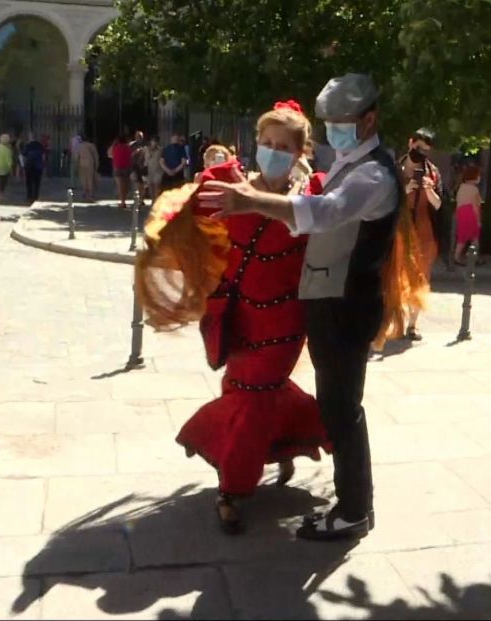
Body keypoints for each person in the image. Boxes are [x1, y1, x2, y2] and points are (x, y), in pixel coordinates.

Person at [199, 73, 401, 541]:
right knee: (337, 407)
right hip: (320, 307)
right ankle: (344, 497)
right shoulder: (348, 163)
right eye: (328, 123)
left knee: (342, 411)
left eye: (343, 122)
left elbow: (324, 213)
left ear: (369, 120)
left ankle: (353, 511)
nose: (335, 131)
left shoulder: (371, 173)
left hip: (343, 309)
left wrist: (252, 199)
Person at [140, 102, 332, 535]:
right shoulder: (226, 187)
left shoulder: (311, 200)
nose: (273, 151)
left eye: (283, 146)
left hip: (285, 325)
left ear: (299, 151)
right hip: (237, 320)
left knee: (252, 393)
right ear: (254, 144)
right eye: (267, 143)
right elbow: (179, 229)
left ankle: (233, 488)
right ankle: (283, 443)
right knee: (252, 391)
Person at [395, 128, 441, 341]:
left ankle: (412, 325)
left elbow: (439, 205)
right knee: (395, 276)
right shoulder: (395, 168)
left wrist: (429, 189)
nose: (421, 153)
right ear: (410, 142)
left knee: (420, 278)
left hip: (424, 233)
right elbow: (387, 201)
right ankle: (395, 321)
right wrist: (406, 188)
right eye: (419, 147)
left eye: (426, 150)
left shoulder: (432, 172)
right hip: (399, 231)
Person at [454, 164, 483, 264]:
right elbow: (475, 205)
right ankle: (463, 257)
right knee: (473, 237)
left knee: (464, 236)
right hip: (470, 213)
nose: (480, 177)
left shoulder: (461, 187)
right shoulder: (474, 189)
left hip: (460, 212)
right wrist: (478, 220)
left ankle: (459, 257)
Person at [108, 135, 132, 209]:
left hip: (117, 168)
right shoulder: (128, 148)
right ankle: (124, 200)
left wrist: (113, 144)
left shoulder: (115, 147)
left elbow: (109, 154)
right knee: (126, 185)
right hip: (127, 168)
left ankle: (122, 202)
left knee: (120, 186)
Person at [22, 133, 45, 205]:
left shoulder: (28, 146)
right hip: (38, 166)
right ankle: (36, 197)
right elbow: (43, 156)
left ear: (30, 138)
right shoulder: (39, 145)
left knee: (29, 183)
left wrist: (23, 165)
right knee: (37, 183)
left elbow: (24, 156)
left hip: (29, 166)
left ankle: (29, 197)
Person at [76, 136, 99, 201]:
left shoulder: (79, 146)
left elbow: (77, 157)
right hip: (90, 163)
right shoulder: (92, 146)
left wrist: (77, 166)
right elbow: (95, 156)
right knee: (90, 178)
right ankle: (91, 194)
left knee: (83, 178)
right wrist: (96, 165)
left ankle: (85, 192)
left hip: (82, 163)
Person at [0, 134, 14, 198]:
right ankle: (1, 193)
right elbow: (9, 161)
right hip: (4, 168)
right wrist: (11, 169)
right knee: (3, 182)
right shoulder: (7, 150)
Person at [144, 136, 164, 201]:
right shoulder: (146, 149)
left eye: (156, 141)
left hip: (158, 170)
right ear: (150, 142)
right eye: (153, 141)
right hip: (148, 171)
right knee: (150, 186)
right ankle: (153, 200)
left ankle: (156, 201)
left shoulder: (161, 150)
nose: (154, 143)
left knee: (157, 186)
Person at [129, 130, 147, 199]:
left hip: (143, 167)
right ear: (135, 136)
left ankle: (141, 198)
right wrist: (134, 153)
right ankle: (137, 198)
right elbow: (128, 156)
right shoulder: (131, 145)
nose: (139, 137)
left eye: (141, 136)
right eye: (138, 136)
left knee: (143, 183)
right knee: (135, 182)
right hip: (134, 167)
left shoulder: (146, 144)